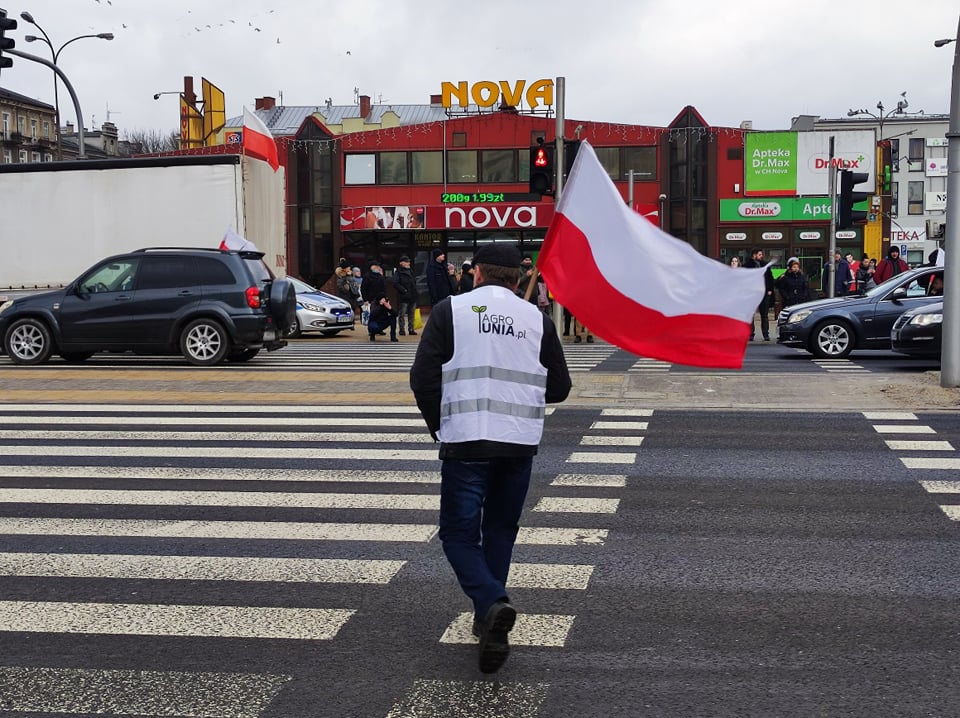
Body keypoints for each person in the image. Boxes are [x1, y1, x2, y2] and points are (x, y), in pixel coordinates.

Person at [409, 242, 571, 675]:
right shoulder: (537, 320)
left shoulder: (451, 311)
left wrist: (440, 425)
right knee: (500, 528)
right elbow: (559, 388)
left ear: (476, 273)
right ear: (517, 279)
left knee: (459, 535)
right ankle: (487, 621)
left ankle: (491, 601)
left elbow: (422, 378)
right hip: (518, 443)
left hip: (467, 442)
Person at [744, 248, 774, 341]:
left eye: (761, 254)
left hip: (764, 293)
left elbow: (770, 278)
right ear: (754, 255)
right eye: (760, 254)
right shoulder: (747, 266)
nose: (761, 256)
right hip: (752, 294)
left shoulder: (765, 265)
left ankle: (766, 334)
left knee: (764, 315)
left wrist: (770, 289)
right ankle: (751, 334)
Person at [392, 255, 417, 336]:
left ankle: (411, 329)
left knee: (412, 313)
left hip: (412, 295)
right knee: (402, 314)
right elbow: (395, 283)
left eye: (408, 261)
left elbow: (414, 282)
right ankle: (402, 330)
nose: (408, 263)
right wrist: (403, 290)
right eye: (406, 262)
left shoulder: (411, 271)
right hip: (404, 296)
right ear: (401, 263)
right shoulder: (398, 272)